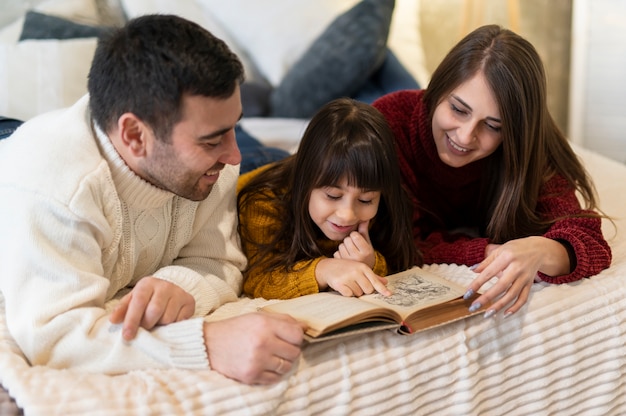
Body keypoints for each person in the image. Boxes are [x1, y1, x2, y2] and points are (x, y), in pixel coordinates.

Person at [0, 14, 305, 385]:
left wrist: (182, 286)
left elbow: (220, 262)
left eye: (234, 128)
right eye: (211, 140)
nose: (233, 156)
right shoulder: (53, 188)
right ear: (134, 134)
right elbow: (56, 338)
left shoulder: (215, 167)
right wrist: (206, 344)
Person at [372, 24, 612, 319]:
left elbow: (590, 243)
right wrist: (492, 252)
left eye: (493, 126)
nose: (465, 136)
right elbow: (400, 244)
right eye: (459, 110)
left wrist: (541, 249)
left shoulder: (529, 145)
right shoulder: (387, 125)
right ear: (436, 90)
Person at [238, 97, 418, 300]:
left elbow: (400, 257)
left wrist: (371, 262)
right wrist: (324, 269)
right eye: (333, 196)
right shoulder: (264, 201)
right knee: (235, 133)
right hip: (253, 163)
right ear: (306, 182)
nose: (347, 215)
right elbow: (259, 279)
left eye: (366, 200)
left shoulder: (383, 193)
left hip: (301, 162)